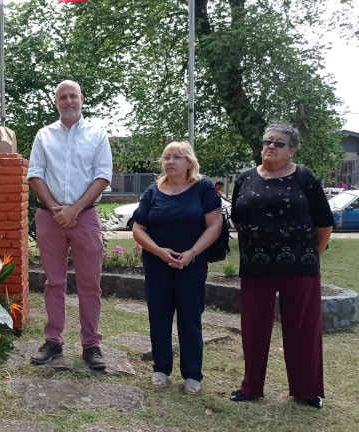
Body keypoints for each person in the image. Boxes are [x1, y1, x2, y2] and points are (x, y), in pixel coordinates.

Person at [229, 121, 333, 409]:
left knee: (302, 329)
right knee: (253, 328)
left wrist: (313, 256)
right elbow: (238, 217)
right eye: (267, 141)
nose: (271, 146)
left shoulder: (304, 177)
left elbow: (325, 223)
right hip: (255, 267)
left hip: (299, 268)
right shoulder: (244, 178)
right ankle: (250, 388)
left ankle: (307, 390)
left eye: (279, 143)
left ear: (292, 150)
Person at [26, 80, 113, 371]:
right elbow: (35, 174)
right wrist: (55, 208)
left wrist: (74, 209)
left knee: (90, 284)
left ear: (81, 98)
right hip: (49, 218)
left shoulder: (97, 134)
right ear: (56, 102)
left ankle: (91, 344)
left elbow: (103, 176)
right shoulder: (44, 135)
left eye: (72, 95)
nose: (68, 100)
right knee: (54, 282)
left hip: (85, 216)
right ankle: (53, 341)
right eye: (62, 97)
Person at [131, 142, 222, 395]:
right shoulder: (153, 191)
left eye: (177, 157)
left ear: (189, 162)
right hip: (157, 264)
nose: (170, 161)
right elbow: (138, 229)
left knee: (189, 317)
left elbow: (214, 225)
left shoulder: (203, 188)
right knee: (158, 316)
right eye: (166, 157)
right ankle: (161, 368)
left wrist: (192, 253)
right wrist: (159, 252)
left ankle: (192, 373)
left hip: (192, 264)